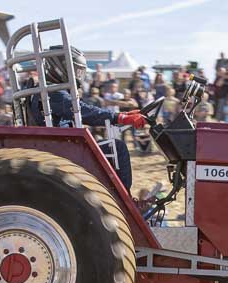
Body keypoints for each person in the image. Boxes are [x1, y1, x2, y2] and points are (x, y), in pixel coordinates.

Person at [29, 46, 146, 191]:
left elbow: (82, 109)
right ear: (61, 68)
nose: (78, 76)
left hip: (65, 146)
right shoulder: (53, 92)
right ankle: (125, 200)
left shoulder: (49, 89)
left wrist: (121, 115)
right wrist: (119, 117)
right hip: (66, 151)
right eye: (76, 70)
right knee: (118, 147)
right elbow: (83, 111)